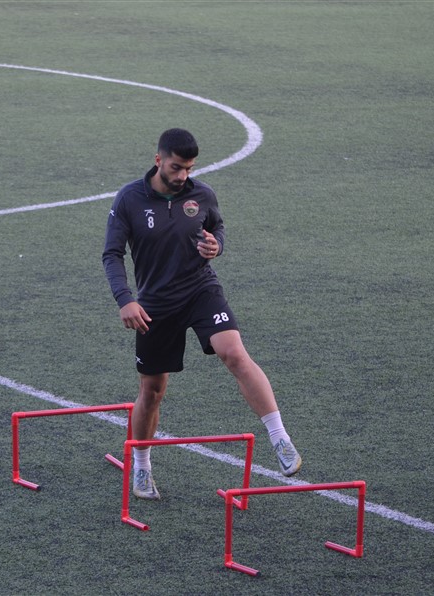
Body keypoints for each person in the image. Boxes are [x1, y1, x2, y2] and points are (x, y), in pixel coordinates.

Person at [102, 128, 302, 500]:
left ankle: (280, 439)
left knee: (234, 353)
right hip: (155, 304)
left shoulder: (202, 194)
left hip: (200, 290)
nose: (183, 176)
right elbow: (112, 254)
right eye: (176, 168)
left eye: (189, 168)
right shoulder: (130, 199)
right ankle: (142, 466)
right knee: (152, 390)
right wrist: (125, 299)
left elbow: (216, 226)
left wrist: (216, 246)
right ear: (158, 159)